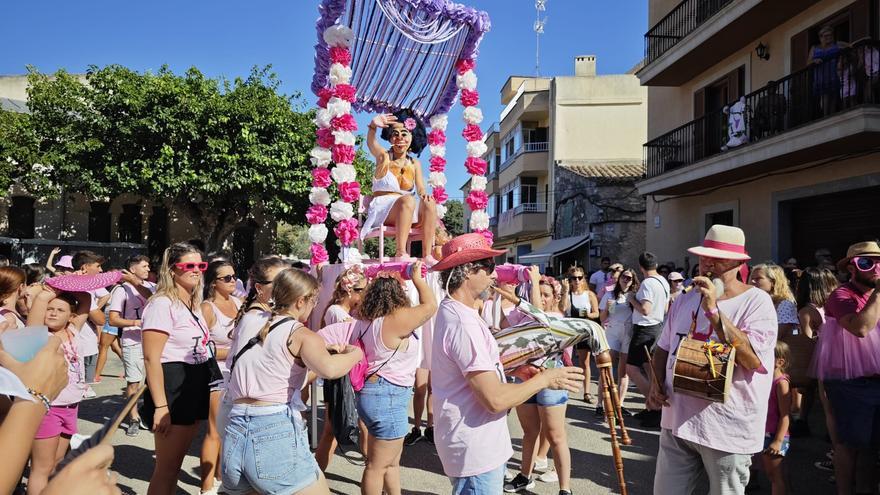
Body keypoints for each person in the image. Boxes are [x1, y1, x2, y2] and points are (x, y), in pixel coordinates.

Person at [430, 233, 584, 494]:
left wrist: (515, 369)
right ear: (467, 271)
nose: (495, 275)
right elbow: (495, 400)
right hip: (476, 450)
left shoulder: (456, 310)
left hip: (475, 445)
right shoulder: (463, 323)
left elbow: (469, 369)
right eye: (489, 267)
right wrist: (544, 380)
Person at [650, 225, 777, 495]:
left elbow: (752, 361)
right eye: (703, 257)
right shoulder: (684, 299)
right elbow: (663, 348)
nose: (707, 264)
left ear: (739, 263)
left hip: (726, 429)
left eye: (716, 259)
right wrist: (655, 383)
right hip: (676, 421)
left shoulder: (757, 302)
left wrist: (715, 313)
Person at [222, 268, 363, 495]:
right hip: (273, 432)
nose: (315, 306)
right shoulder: (301, 334)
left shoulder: (250, 319)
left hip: (235, 431)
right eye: (313, 301)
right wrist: (356, 353)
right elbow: (330, 370)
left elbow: (274, 368)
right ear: (300, 301)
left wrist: (316, 352)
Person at [354, 261, 437, 495]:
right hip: (388, 396)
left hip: (372, 394)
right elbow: (430, 306)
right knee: (376, 465)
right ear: (398, 294)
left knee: (390, 462)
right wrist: (419, 280)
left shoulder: (365, 320)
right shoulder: (396, 319)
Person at [141, 242, 213, 495]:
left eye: (200, 265)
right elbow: (151, 358)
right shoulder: (162, 304)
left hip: (193, 381)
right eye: (189, 266)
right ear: (172, 270)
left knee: (175, 464)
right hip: (171, 383)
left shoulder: (192, 302)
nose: (196, 270)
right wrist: (161, 406)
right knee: (167, 468)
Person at [811, 241, 880, 495]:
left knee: (871, 446)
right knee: (849, 444)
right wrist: (878, 294)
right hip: (849, 380)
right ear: (852, 268)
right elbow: (860, 328)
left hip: (875, 378)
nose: (875, 268)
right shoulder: (841, 295)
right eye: (866, 262)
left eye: (879, 262)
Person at [505, 269, 578, 495]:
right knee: (529, 433)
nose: (543, 298)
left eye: (547, 294)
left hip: (552, 380)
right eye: (540, 293)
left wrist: (535, 283)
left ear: (555, 298)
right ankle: (525, 476)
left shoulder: (559, 320)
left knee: (556, 436)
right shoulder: (524, 315)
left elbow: (540, 318)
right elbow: (504, 329)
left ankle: (565, 489)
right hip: (525, 378)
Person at [26, 291, 90, 495]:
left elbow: (86, 301)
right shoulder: (39, 335)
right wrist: (53, 289)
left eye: (60, 310)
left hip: (70, 407)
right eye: (49, 309)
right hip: (47, 408)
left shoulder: (74, 330)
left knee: (56, 463)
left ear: (71, 316)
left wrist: (76, 284)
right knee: (41, 469)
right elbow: (41, 301)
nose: (52, 313)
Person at [361, 110, 438, 261]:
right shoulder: (384, 157)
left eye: (404, 134)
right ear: (390, 138)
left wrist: (425, 195)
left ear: (411, 137)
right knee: (408, 200)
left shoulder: (415, 163)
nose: (400, 138)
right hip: (383, 209)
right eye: (395, 134)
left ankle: (427, 254)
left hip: (406, 210)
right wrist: (372, 126)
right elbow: (371, 144)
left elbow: (420, 187)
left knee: (429, 203)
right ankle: (400, 252)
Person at [315, 265, 369, 471]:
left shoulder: (346, 311)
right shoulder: (337, 312)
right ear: (349, 291)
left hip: (346, 374)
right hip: (340, 377)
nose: (365, 293)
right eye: (361, 289)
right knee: (334, 429)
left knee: (336, 429)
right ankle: (372, 473)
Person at [198, 259, 241, 495]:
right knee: (215, 431)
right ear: (214, 283)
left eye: (234, 276)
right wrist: (232, 351)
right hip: (216, 373)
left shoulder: (238, 302)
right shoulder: (207, 308)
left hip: (237, 373)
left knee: (230, 430)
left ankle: (220, 477)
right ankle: (205, 488)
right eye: (227, 278)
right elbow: (200, 346)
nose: (233, 281)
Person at [108, 255, 156, 437]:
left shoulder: (150, 287)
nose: (147, 269)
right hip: (132, 341)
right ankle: (133, 417)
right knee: (134, 381)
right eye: (144, 266)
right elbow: (113, 320)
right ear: (132, 268)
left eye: (148, 265)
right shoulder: (121, 290)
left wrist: (135, 283)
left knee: (154, 379)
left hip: (152, 340)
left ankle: (150, 413)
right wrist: (136, 323)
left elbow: (152, 298)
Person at [798, 267, 839, 473]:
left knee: (829, 410)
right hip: (842, 358)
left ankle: (836, 455)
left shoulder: (807, 311)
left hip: (823, 359)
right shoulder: (834, 305)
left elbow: (806, 342)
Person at [627, 252, 670, 427]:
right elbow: (666, 308)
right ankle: (653, 408)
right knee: (651, 370)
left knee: (631, 369)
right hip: (657, 327)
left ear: (641, 267)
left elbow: (645, 309)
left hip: (645, 329)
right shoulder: (663, 281)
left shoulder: (647, 283)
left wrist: (631, 300)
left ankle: (654, 405)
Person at [598, 267, 639, 417]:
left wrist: (633, 301)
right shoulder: (610, 295)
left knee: (623, 372)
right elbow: (602, 318)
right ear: (619, 278)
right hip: (613, 332)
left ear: (633, 280)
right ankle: (600, 404)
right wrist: (607, 309)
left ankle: (619, 404)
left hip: (628, 333)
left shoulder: (635, 296)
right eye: (624, 277)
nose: (626, 280)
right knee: (607, 369)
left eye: (629, 278)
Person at [70, 251, 109, 388]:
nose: (101, 270)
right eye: (98, 266)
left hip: (70, 343)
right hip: (81, 345)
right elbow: (100, 319)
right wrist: (96, 311)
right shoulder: (81, 289)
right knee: (82, 387)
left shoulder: (64, 282)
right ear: (85, 267)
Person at [762, 341, 792, 495]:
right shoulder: (765, 380)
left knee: (776, 476)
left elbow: (785, 415)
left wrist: (778, 441)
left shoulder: (781, 384)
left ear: (780, 361)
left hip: (775, 435)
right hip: (765, 433)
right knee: (772, 474)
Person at [565, 265, 599, 404]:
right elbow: (562, 310)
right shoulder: (567, 295)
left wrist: (588, 314)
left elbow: (597, 313)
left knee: (584, 363)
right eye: (574, 278)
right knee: (567, 361)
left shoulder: (589, 294)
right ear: (570, 280)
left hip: (585, 331)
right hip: (570, 331)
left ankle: (587, 392)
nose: (577, 280)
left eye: (580, 277)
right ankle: (566, 389)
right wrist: (565, 292)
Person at [809, 25, 849, 115]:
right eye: (826, 36)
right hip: (821, 76)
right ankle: (825, 116)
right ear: (820, 37)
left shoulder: (837, 45)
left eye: (830, 35)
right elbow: (808, 62)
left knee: (833, 96)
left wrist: (843, 59)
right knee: (825, 96)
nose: (829, 37)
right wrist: (814, 60)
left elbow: (850, 46)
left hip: (833, 74)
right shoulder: (814, 48)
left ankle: (832, 116)